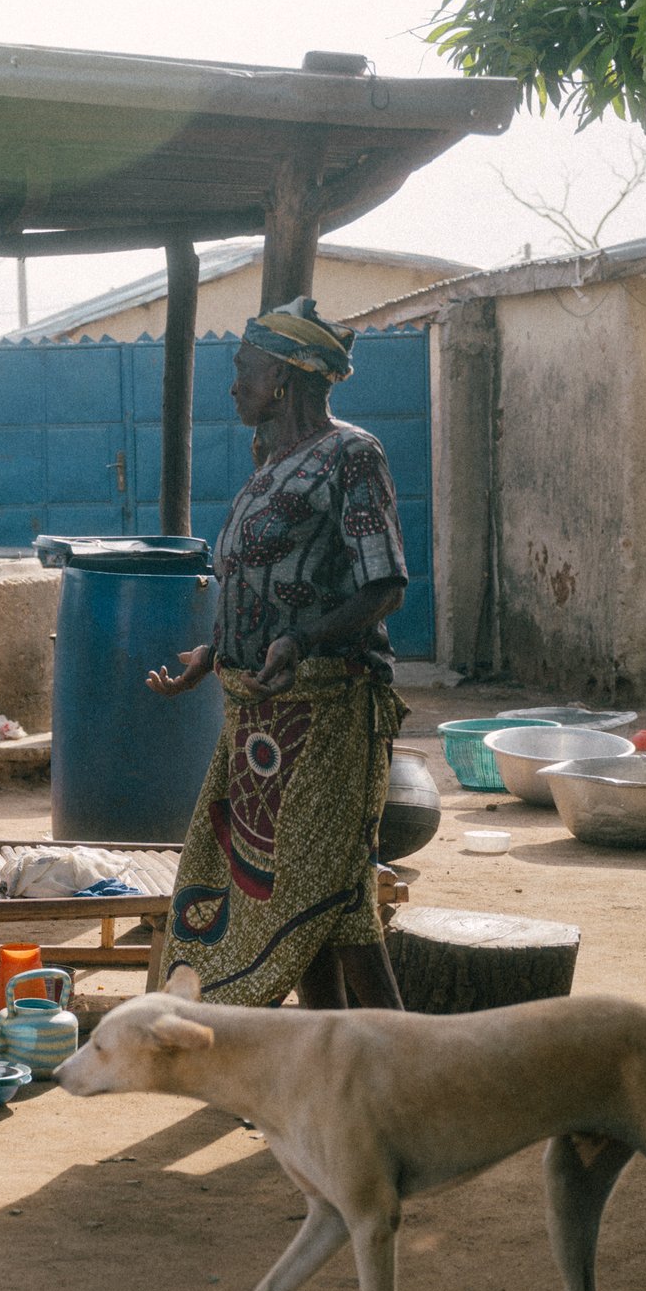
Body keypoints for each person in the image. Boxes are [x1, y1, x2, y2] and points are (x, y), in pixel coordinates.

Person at [145, 298, 409, 1010]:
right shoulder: (270, 461)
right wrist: (214, 652)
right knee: (319, 902)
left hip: (329, 710)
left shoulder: (351, 455)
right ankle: (339, 1068)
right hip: (259, 713)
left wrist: (305, 639)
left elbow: (384, 583)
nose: (234, 385)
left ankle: (397, 1065)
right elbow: (264, 584)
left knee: (330, 889)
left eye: (244, 369)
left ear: (286, 377)